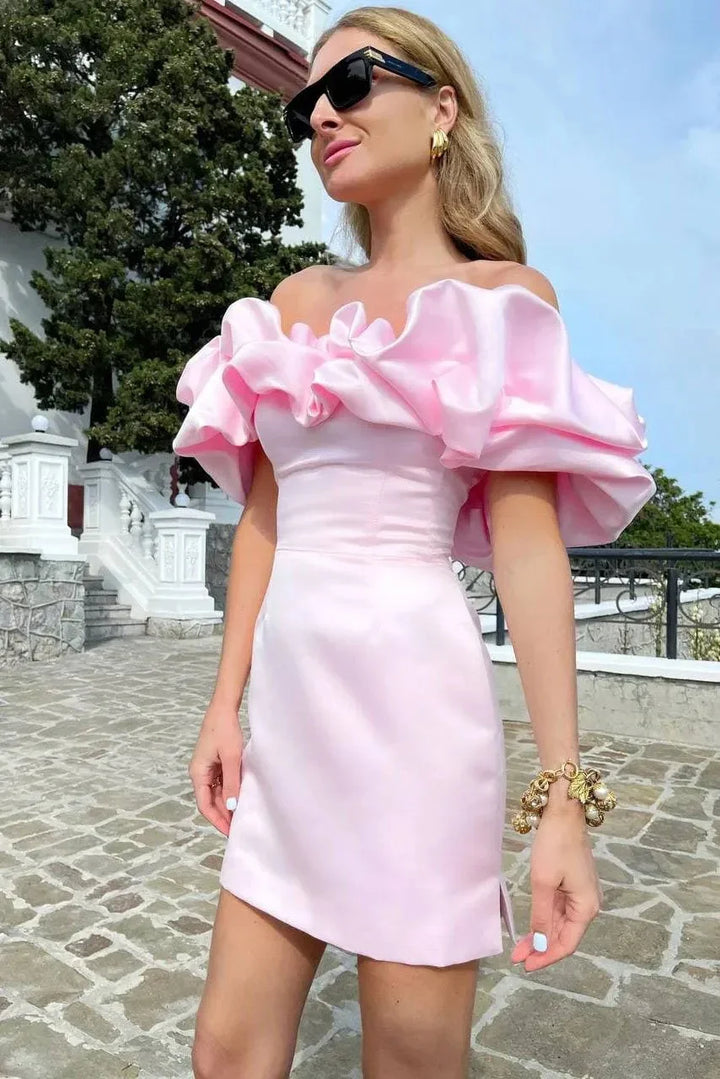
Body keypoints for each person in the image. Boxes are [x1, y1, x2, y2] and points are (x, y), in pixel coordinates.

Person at [172, 6, 657, 1078]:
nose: (321, 117)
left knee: (408, 1061)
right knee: (223, 1053)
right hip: (290, 727)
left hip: (417, 731)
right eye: (306, 104)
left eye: (351, 86)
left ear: (441, 109)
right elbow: (266, 518)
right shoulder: (295, 303)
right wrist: (223, 702)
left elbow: (529, 556)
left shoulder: (501, 303)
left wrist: (564, 797)